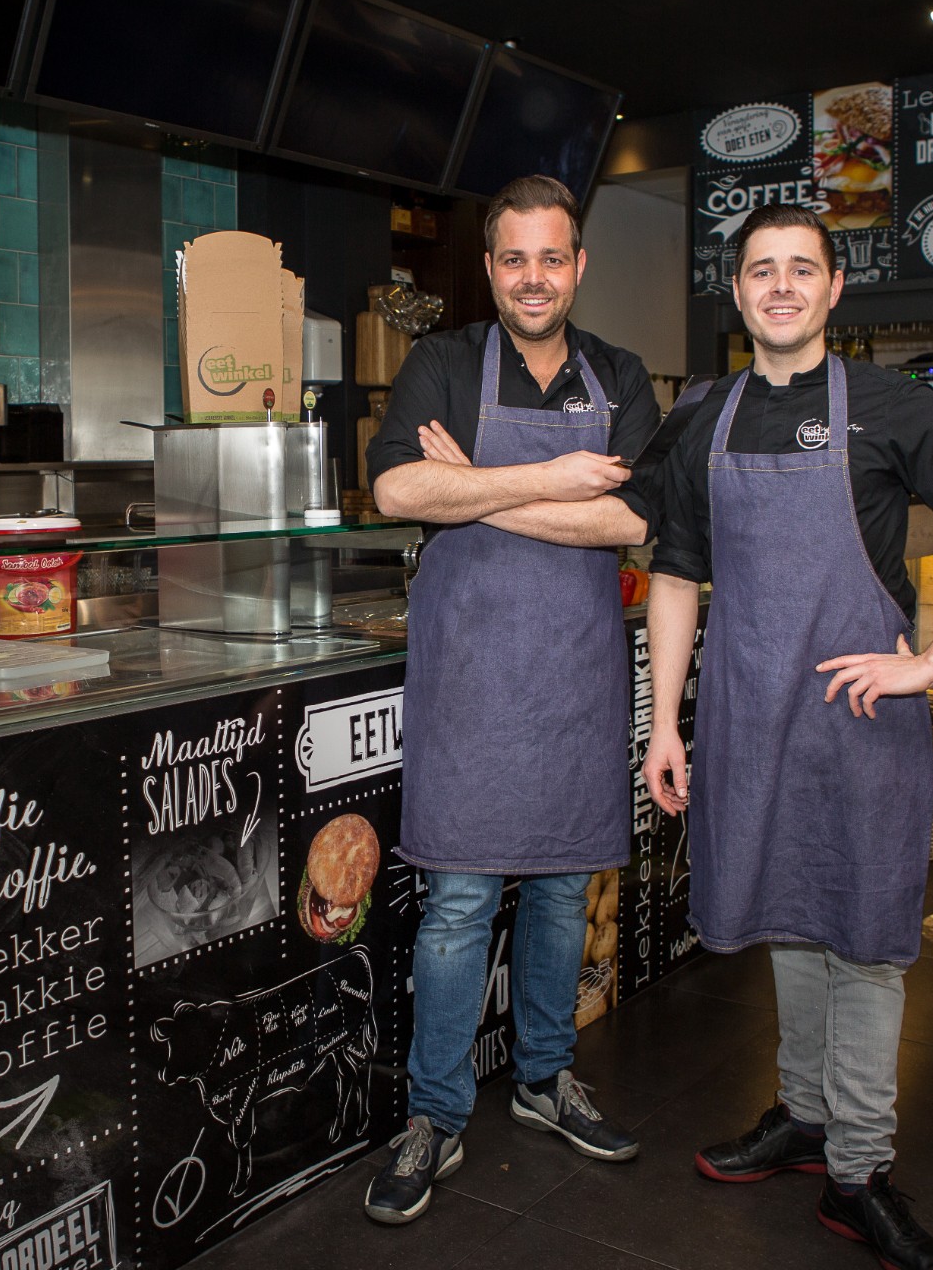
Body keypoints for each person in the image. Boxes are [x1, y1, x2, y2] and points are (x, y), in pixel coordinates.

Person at [640, 204, 933, 1270]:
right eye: (761, 271)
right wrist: (665, 721)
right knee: (792, 916)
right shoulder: (704, 416)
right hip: (748, 716)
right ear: (737, 293)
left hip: (862, 724)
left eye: (802, 270)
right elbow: (677, 574)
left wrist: (930, 662)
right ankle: (806, 1117)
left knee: (865, 939)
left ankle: (859, 1170)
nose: (780, 286)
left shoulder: (889, 408)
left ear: (833, 290)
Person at [360, 175, 656, 1224]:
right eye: (513, 258)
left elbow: (633, 522)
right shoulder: (442, 360)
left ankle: (542, 1078)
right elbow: (397, 489)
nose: (534, 276)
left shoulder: (616, 372)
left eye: (553, 257)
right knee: (458, 907)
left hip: (574, 669)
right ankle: (434, 1113)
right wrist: (556, 479)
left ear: (578, 265)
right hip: (472, 676)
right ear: (489, 269)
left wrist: (479, 485)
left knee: (564, 894)